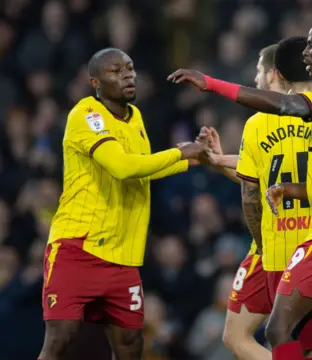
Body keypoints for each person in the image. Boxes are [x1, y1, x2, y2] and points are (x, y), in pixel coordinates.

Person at [168, 10, 312, 360]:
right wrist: (289, 187)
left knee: (280, 332)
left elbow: (254, 185)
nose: (308, 51)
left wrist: (213, 84)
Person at [39, 48, 211, 360]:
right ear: (95, 82)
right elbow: (122, 167)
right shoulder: (86, 115)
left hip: (122, 257)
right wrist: (181, 154)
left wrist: (194, 158)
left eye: (130, 68)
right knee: (61, 340)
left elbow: (143, 167)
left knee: (131, 344)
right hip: (79, 248)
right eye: (115, 71)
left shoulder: (135, 118)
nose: (128, 75)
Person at [208, 37, 312, 360]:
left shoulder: (258, 124)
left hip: (279, 244)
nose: (256, 79)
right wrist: (219, 160)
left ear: (276, 75)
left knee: (291, 339)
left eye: (259, 72)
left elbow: (253, 190)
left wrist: (263, 244)